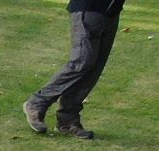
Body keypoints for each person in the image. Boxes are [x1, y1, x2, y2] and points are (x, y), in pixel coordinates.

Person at [25, 0, 126, 139]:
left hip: (111, 12)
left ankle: (68, 120)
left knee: (94, 68)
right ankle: (38, 102)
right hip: (89, 8)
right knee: (82, 61)